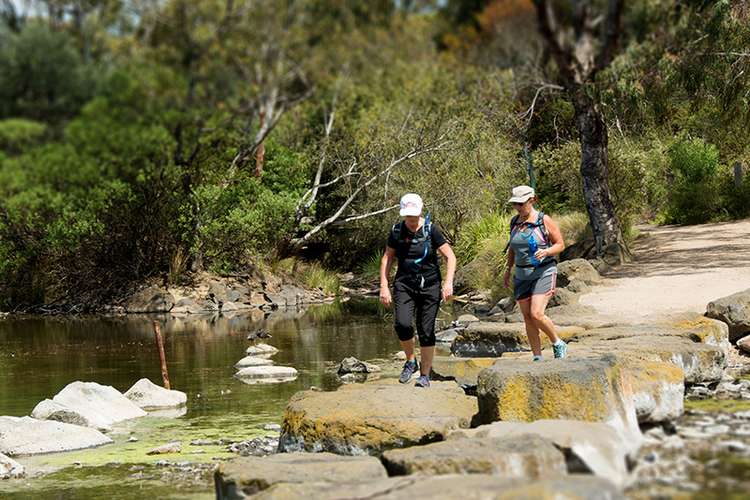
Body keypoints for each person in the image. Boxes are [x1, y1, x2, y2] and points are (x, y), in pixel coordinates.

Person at [379, 193, 456, 388]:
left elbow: (450, 257)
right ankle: (411, 361)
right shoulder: (396, 231)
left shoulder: (431, 230)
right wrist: (384, 286)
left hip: (429, 286)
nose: (412, 222)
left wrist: (448, 283)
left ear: (420, 212)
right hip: (404, 284)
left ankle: (425, 375)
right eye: (408, 218)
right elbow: (387, 258)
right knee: (402, 324)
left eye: (414, 217)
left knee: (426, 329)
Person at [502, 185, 567, 360]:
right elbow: (512, 248)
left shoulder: (543, 220)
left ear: (533, 200)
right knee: (527, 318)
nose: (518, 207)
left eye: (521, 203)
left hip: (543, 271)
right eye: (515, 204)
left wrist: (546, 251)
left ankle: (557, 342)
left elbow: (560, 244)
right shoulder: (514, 222)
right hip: (522, 275)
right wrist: (508, 270)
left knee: (536, 313)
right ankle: (537, 356)